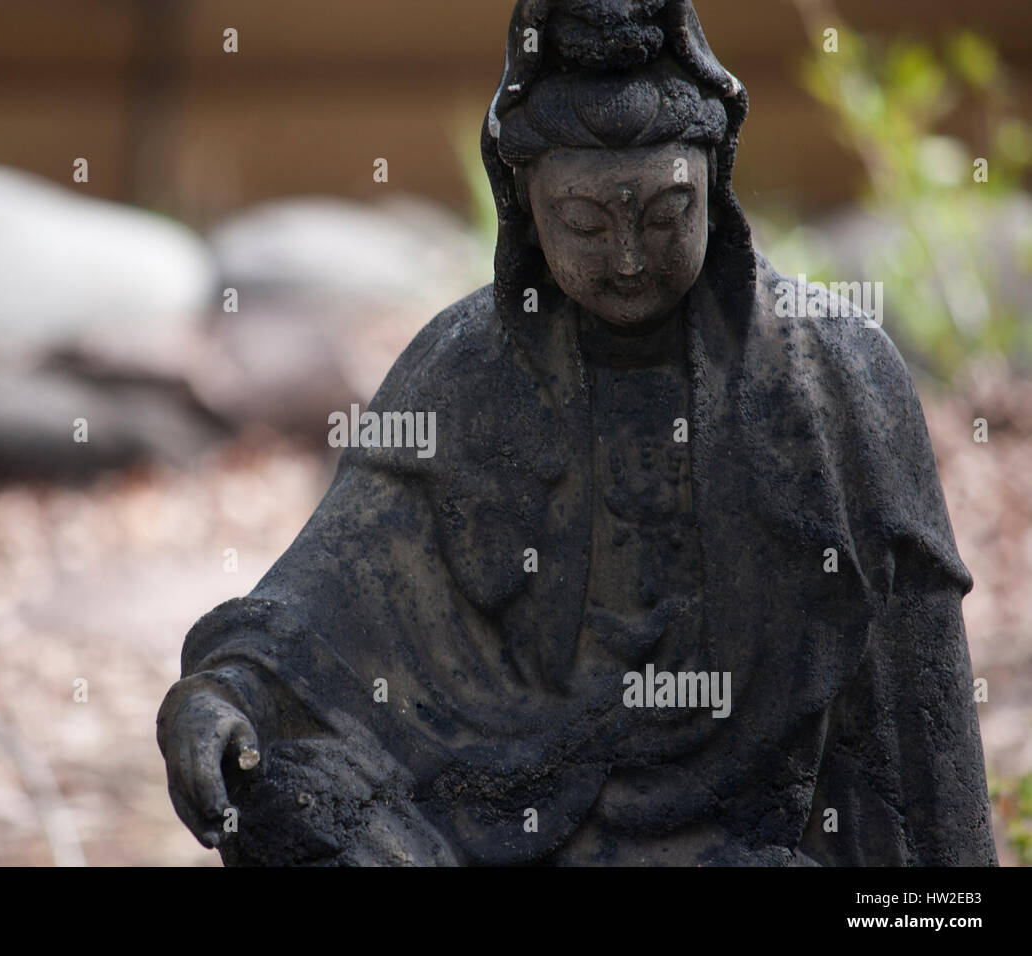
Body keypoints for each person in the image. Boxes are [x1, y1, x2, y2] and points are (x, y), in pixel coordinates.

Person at [158, 0, 997, 866]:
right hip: (496, 826)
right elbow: (327, 596)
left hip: (747, 843)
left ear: (718, 178)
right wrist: (228, 696)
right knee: (289, 791)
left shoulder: (831, 377)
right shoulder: (466, 369)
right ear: (526, 207)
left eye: (667, 215)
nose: (629, 258)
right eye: (586, 226)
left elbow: (920, 738)